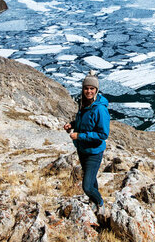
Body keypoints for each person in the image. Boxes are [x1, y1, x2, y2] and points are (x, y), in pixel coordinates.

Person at [63, 70, 110, 209]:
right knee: (91, 179)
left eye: (92, 88)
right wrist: (72, 124)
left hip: (94, 151)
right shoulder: (84, 103)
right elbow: (83, 122)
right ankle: (94, 202)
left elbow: (103, 134)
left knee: (87, 186)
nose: (88, 91)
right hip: (83, 149)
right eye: (86, 88)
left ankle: (100, 203)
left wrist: (79, 136)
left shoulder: (100, 109)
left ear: (96, 90)